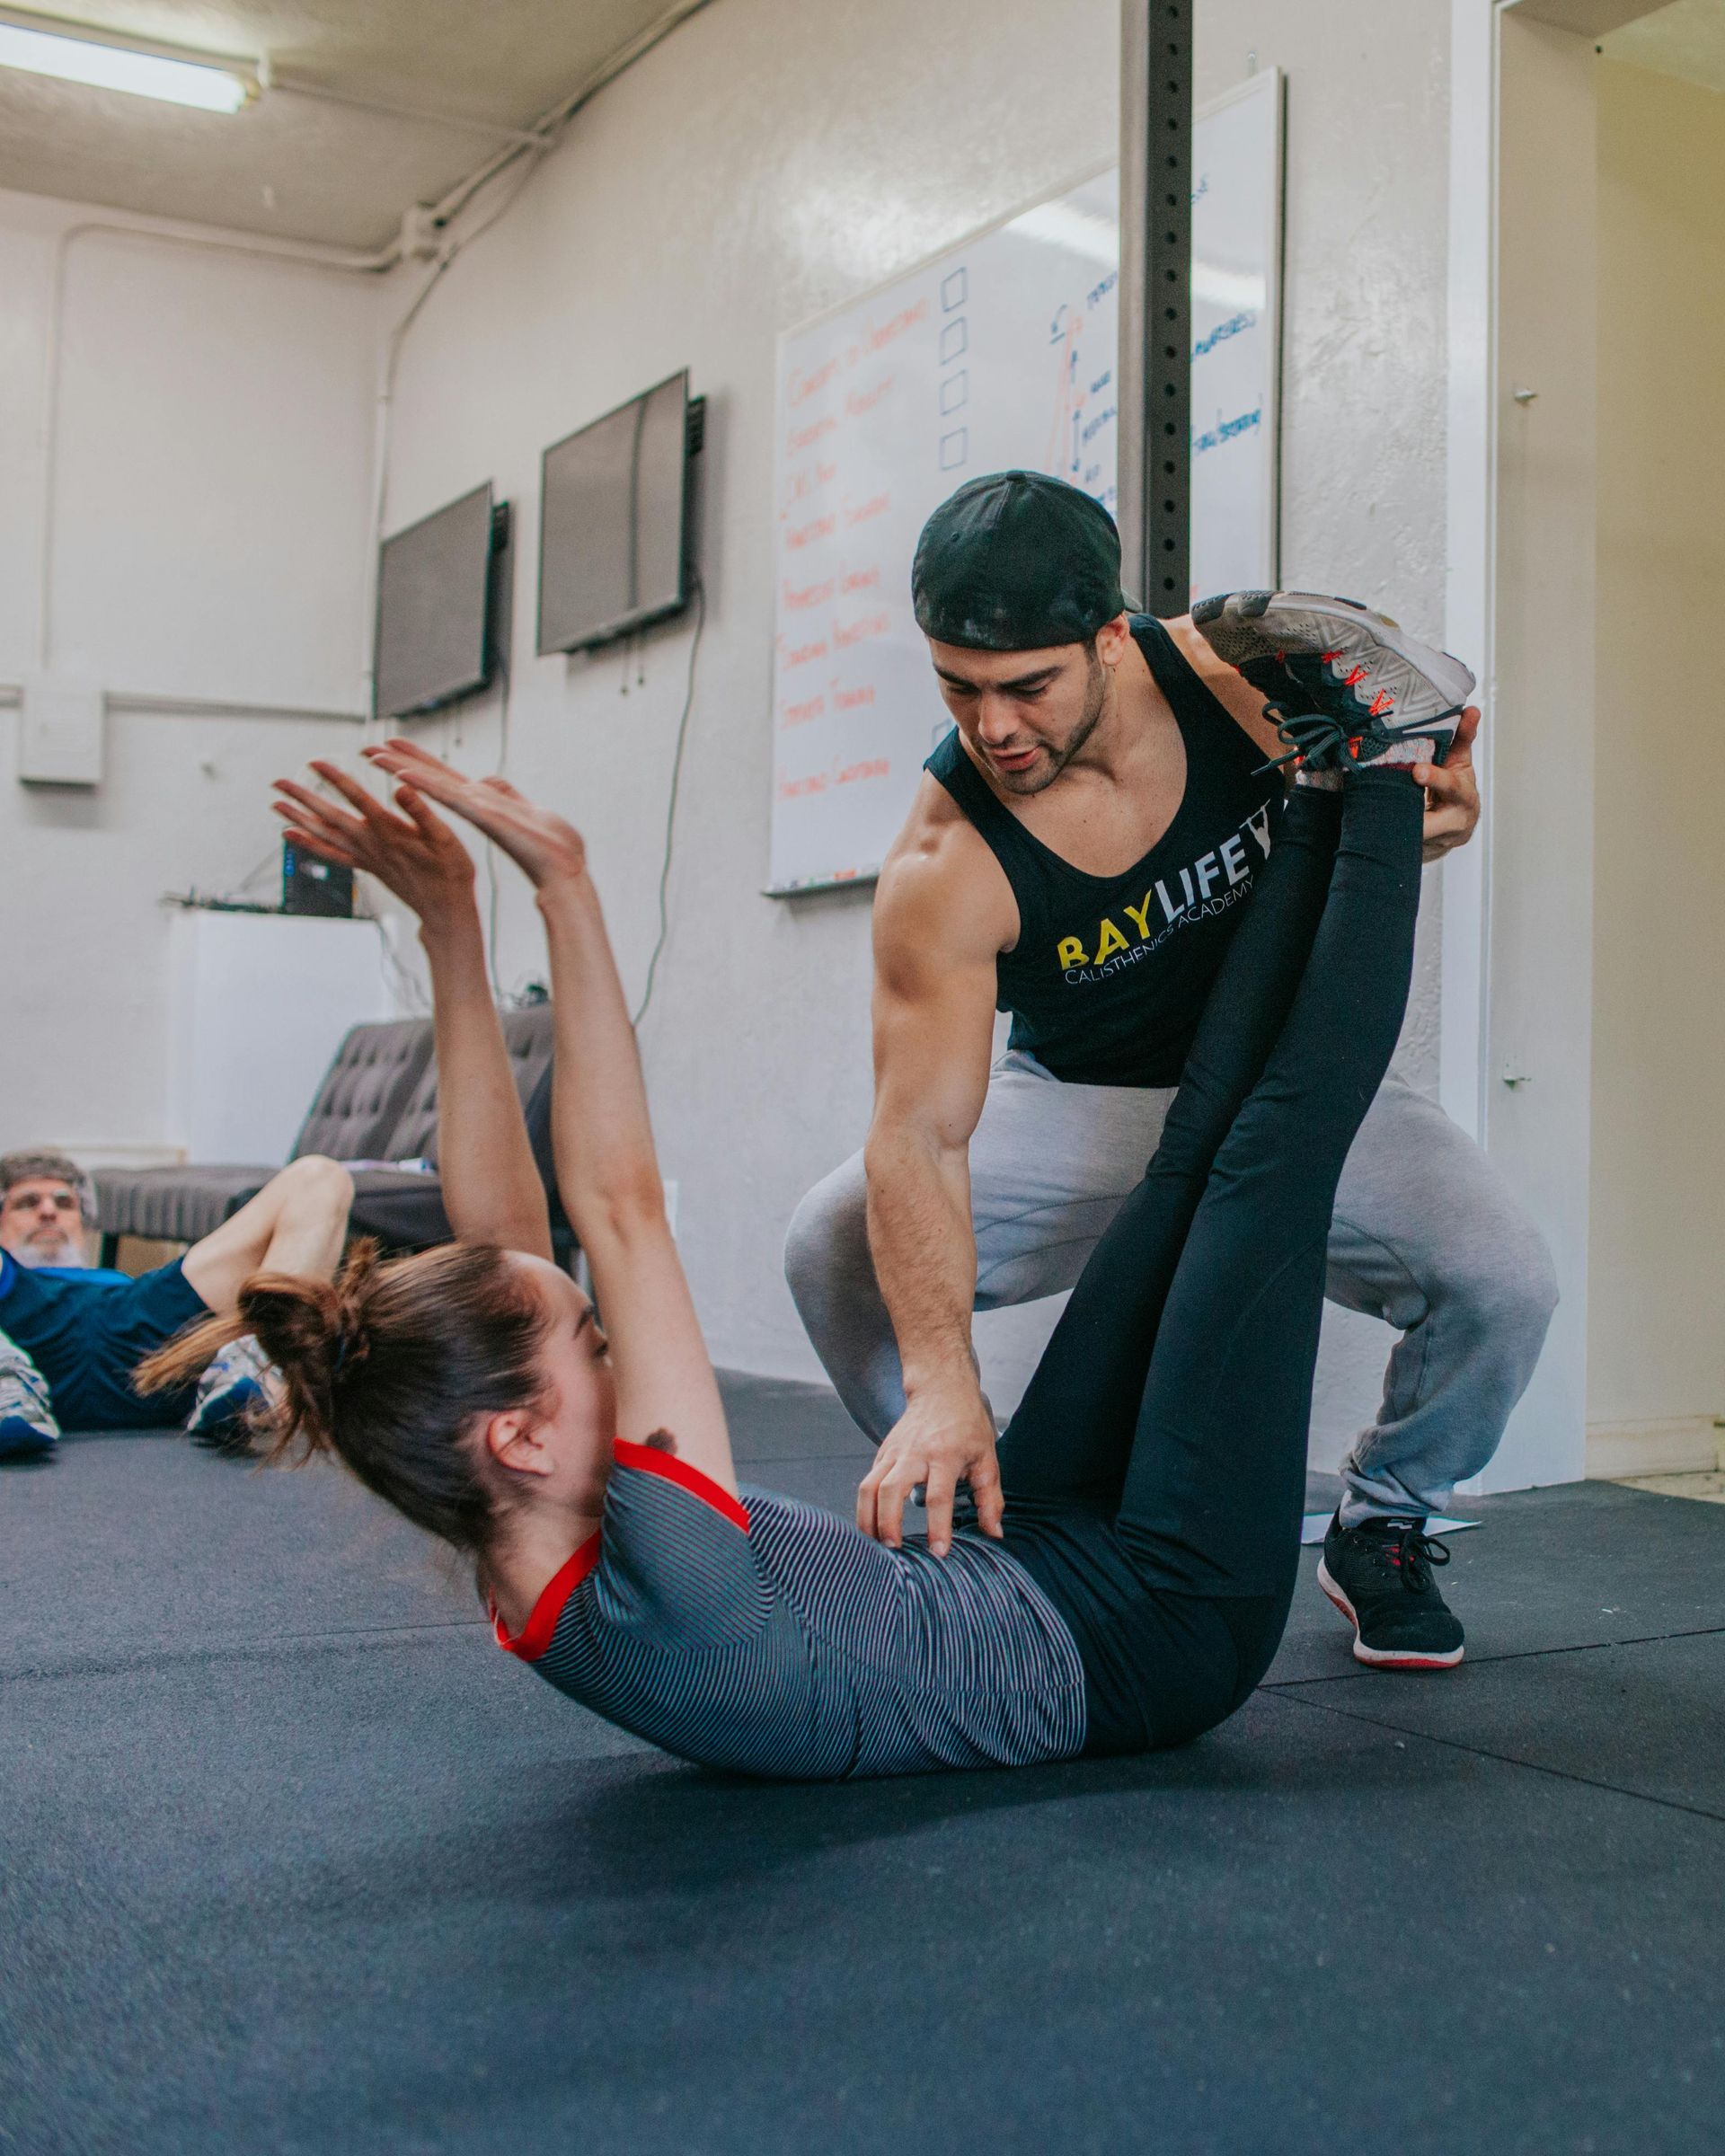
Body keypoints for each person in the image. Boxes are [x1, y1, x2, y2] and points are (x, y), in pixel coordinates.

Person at [144, 699, 1431, 1782]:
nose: (618, 1347)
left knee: (1188, 1159)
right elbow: (622, 1210)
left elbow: (512, 1239)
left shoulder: (512, 1522)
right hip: (1156, 1633)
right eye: (592, 1344)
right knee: (1269, 1158)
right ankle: (1384, 759)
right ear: (523, 1435)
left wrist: (452, 931)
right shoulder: (671, 1573)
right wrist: (568, 884)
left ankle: (1314, 777)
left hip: (1023, 1551)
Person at [784, 473, 1559, 1671]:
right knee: (830, 1245)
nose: (994, 728)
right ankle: (966, 1493)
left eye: (1028, 687)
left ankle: (1387, 1516)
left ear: (1111, 637)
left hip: (1293, 1084)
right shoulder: (947, 861)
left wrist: (1437, 808)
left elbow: (1430, 784)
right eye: (960, 689)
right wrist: (944, 1380)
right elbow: (918, 1139)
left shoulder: (1243, 678)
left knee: (1504, 1283)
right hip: (1089, 1105)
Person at [0, 1146, 352, 1460]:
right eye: (27, 1203)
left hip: (146, 1329)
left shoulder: (126, 1288)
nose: (48, 1212)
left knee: (321, 1178)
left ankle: (254, 1363)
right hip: (18, 1326)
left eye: (64, 1203)